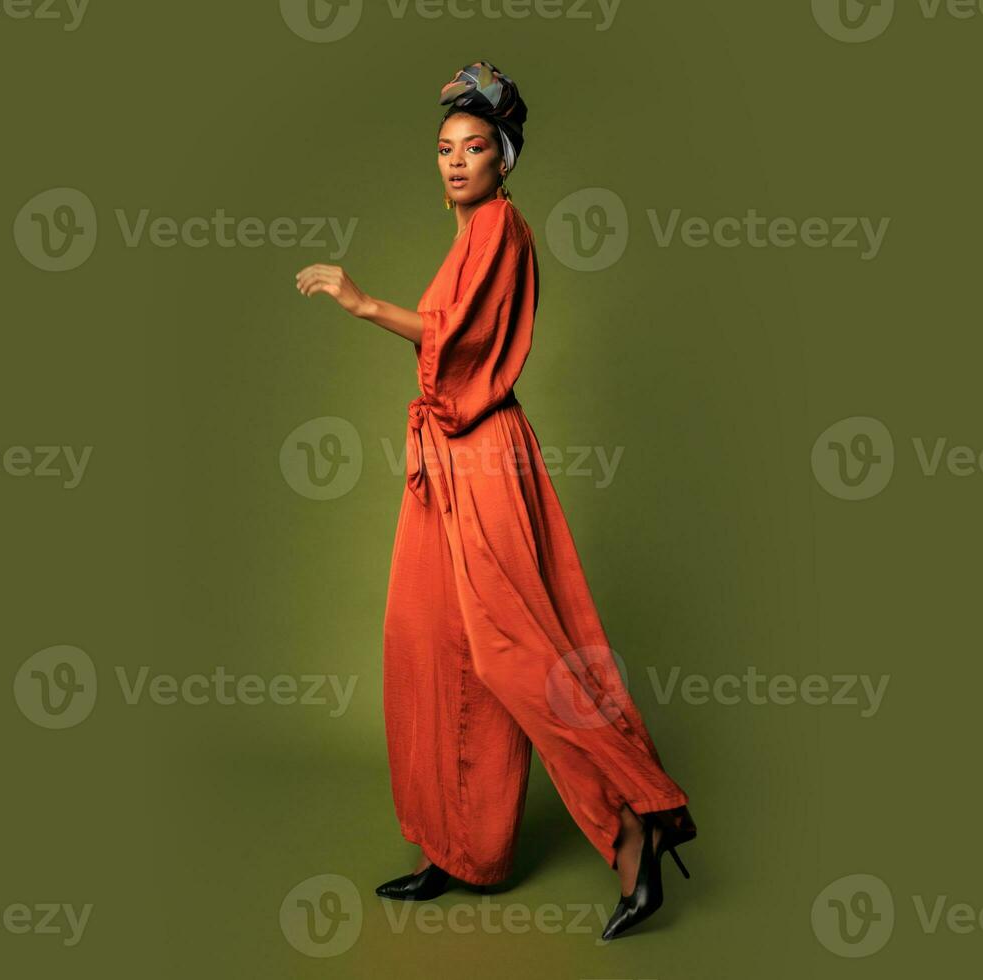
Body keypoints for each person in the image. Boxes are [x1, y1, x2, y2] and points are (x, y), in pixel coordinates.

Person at [293, 61, 696, 942]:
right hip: (443, 464)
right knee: (434, 646)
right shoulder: (469, 233)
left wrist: (360, 302)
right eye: (444, 149)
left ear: (504, 158)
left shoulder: (504, 230)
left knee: (517, 654)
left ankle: (640, 816)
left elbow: (455, 341)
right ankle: (459, 847)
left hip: (483, 460)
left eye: (474, 148)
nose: (456, 162)